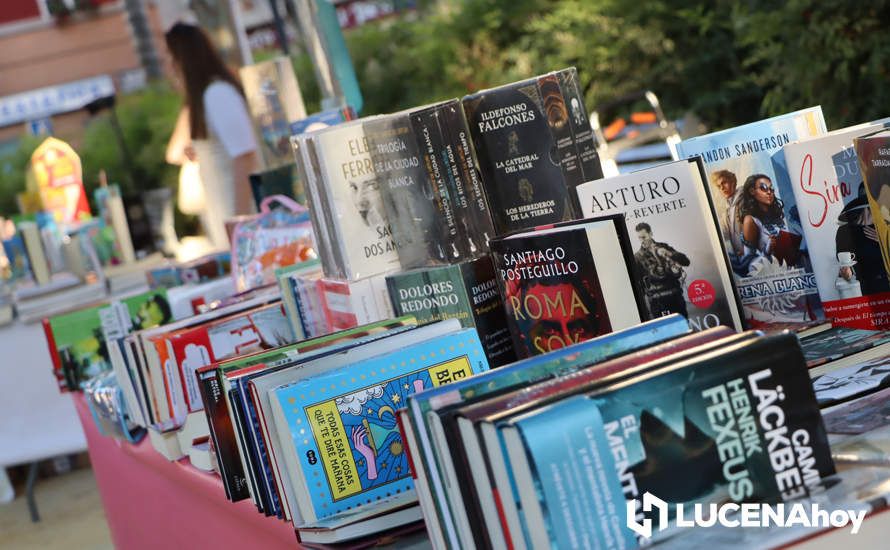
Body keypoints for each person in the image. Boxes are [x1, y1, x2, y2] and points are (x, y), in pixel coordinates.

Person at [164, 22, 258, 249]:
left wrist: (240, 224)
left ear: (182, 59)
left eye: (169, 57)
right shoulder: (209, 96)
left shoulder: (217, 94)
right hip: (229, 227)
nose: (168, 66)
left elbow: (245, 156)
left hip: (244, 230)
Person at [633, 222, 690, 317]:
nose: (642, 240)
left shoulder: (664, 246)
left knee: (684, 327)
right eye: (639, 238)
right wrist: (643, 311)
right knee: (666, 331)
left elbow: (686, 262)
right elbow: (639, 286)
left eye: (644, 237)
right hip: (658, 303)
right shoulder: (637, 257)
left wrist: (669, 253)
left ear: (650, 234)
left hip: (676, 298)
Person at [737, 174, 786, 272]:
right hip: (772, 273)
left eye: (771, 189)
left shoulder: (777, 215)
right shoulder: (750, 220)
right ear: (752, 191)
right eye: (763, 188)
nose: (769, 192)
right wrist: (767, 250)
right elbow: (749, 262)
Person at [710, 169, 743, 254]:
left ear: (732, 182)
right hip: (742, 259)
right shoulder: (727, 211)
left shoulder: (747, 199)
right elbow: (721, 233)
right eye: (718, 186)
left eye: (724, 183)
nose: (722, 188)